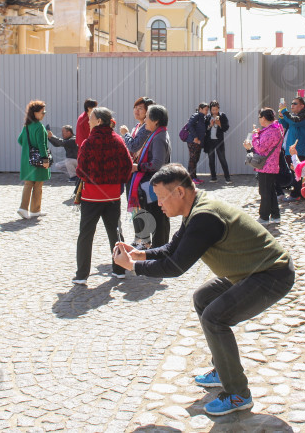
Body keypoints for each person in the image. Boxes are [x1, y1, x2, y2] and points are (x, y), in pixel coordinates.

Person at [112, 164, 295, 417]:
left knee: (215, 317)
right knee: (203, 298)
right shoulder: (195, 209)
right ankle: (223, 368)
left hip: (271, 274)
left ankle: (239, 393)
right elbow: (171, 248)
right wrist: (139, 253)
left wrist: (133, 267)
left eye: (161, 197)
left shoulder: (204, 217)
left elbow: (175, 266)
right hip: (249, 271)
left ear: (179, 193)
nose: (158, 204)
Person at [74, 107, 133, 284]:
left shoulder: (88, 142)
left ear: (99, 121)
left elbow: (80, 169)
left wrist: (89, 179)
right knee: (115, 233)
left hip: (92, 196)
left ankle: (82, 275)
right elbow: (128, 166)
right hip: (113, 195)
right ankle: (120, 270)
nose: (88, 121)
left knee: (86, 234)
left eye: (91, 118)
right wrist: (118, 181)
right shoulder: (118, 141)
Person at [126, 104, 172, 248]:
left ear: (156, 120)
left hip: (155, 185)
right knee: (156, 218)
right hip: (152, 184)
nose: (145, 120)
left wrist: (138, 167)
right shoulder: (157, 133)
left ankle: (159, 251)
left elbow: (156, 164)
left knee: (158, 220)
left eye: (147, 117)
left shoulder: (158, 137)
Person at [243, 108, 285, 226]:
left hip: (267, 166)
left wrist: (255, 136)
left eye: (260, 117)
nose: (259, 119)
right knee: (270, 191)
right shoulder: (275, 128)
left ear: (264, 118)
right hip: (270, 165)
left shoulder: (271, 131)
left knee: (265, 191)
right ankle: (275, 215)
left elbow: (260, 147)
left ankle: (264, 216)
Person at [17, 101, 51, 219]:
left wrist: (28, 149)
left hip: (27, 159)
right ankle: (32, 209)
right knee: (38, 184)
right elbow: (42, 145)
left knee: (29, 183)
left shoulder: (27, 125)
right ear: (35, 113)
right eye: (42, 112)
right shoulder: (39, 126)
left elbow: (20, 140)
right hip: (38, 160)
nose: (44, 114)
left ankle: (28, 209)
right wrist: (45, 159)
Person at [278, 96, 305, 201]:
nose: (292, 105)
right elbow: (283, 124)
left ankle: (296, 194)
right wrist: (282, 116)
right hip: (289, 149)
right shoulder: (293, 116)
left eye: (295, 103)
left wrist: (284, 110)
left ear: (302, 106)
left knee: (298, 172)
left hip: (299, 150)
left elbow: (294, 121)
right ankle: (298, 193)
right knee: (293, 172)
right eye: (291, 103)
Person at [204, 100, 232, 184]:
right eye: (213, 110)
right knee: (211, 159)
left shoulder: (222, 116)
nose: (214, 111)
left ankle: (227, 178)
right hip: (210, 141)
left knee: (222, 159)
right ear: (210, 110)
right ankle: (213, 177)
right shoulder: (208, 117)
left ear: (218, 109)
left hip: (219, 141)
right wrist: (210, 125)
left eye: (216, 109)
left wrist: (219, 124)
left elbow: (226, 128)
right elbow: (205, 129)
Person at [185, 103, 208, 185]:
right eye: (205, 109)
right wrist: (195, 137)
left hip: (198, 142)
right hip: (193, 141)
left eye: (207, 110)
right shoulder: (196, 115)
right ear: (200, 109)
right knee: (193, 159)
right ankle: (190, 178)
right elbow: (190, 125)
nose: (206, 111)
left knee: (195, 159)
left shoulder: (202, 117)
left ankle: (194, 177)